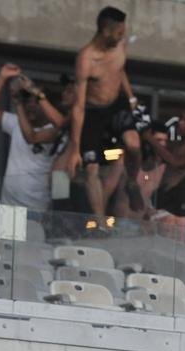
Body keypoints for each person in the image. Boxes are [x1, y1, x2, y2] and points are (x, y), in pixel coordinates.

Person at [63, 6, 147, 218]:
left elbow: (119, 71)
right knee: (91, 169)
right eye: (119, 32)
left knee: (133, 144)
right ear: (105, 31)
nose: (123, 36)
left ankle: (131, 180)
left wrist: (131, 97)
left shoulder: (120, 45)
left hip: (117, 103)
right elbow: (79, 106)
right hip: (92, 111)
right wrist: (74, 148)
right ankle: (100, 222)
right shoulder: (86, 59)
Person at [0, 63, 63, 213]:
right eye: (28, 100)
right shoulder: (17, 123)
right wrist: (2, 77)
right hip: (8, 206)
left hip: (36, 209)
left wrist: (21, 102)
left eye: (35, 101)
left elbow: (31, 136)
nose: (30, 104)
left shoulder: (57, 132)